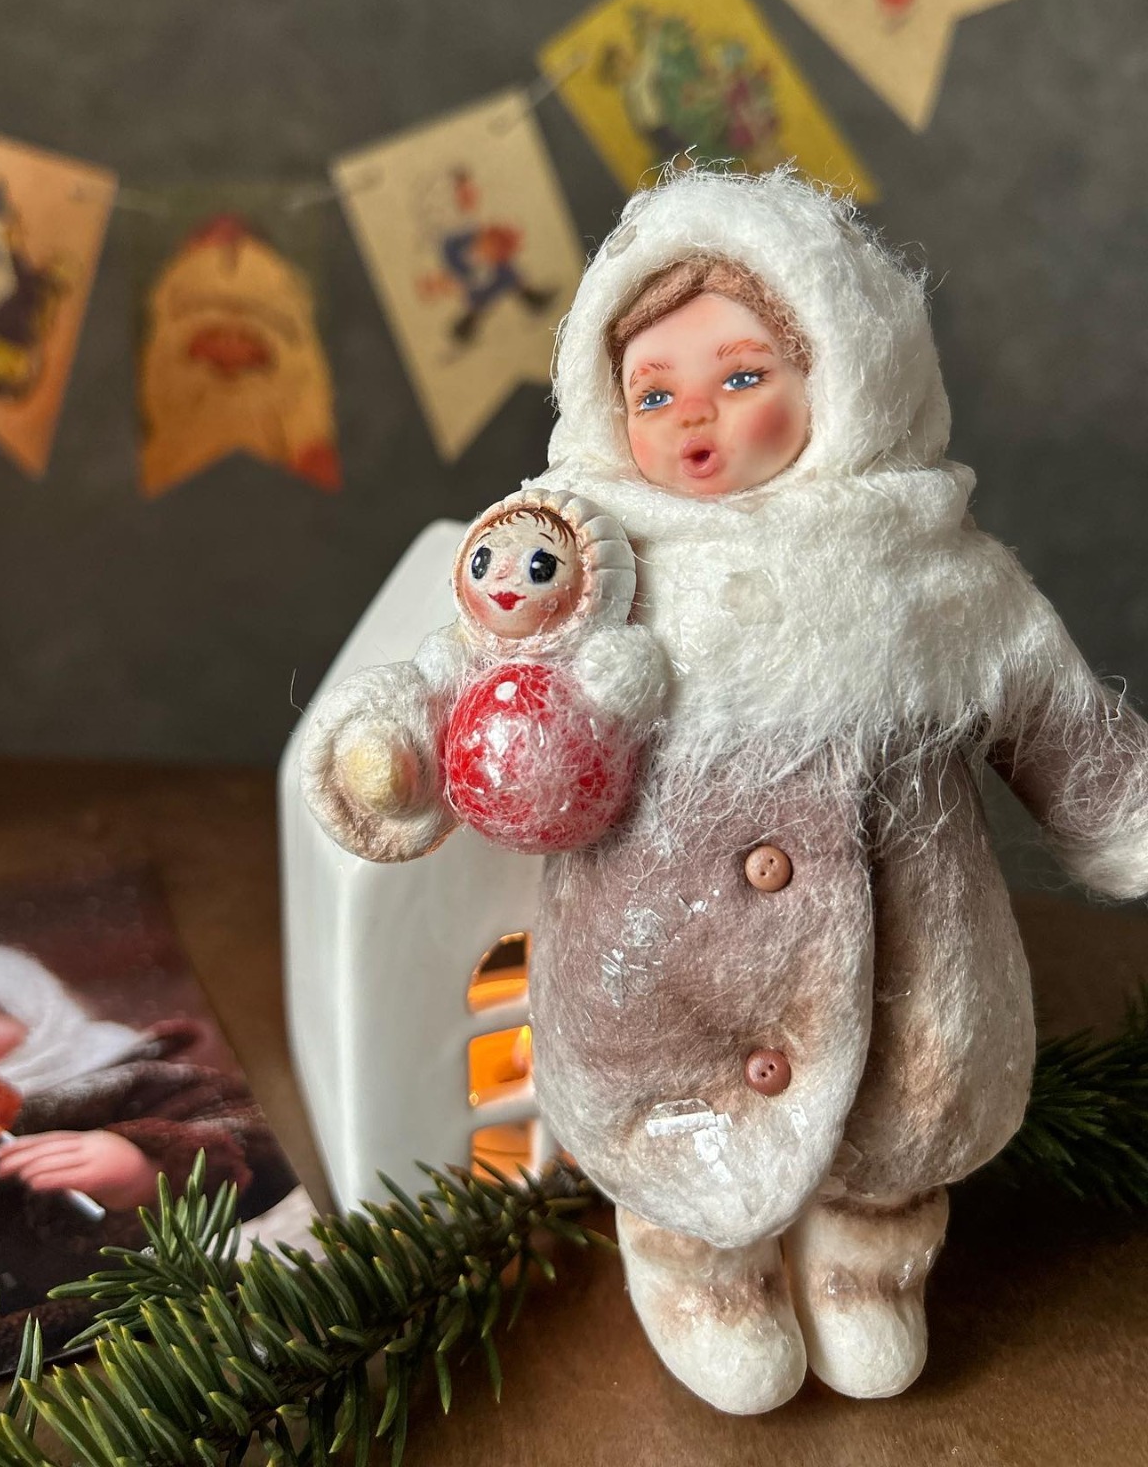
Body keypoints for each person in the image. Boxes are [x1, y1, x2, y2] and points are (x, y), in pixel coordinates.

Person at [299, 167, 1148, 1412]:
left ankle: (868, 1260)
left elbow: (1051, 709)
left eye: (741, 376)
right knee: (665, 1130)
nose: (690, 416)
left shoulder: (931, 571)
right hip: (655, 985)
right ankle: (696, 1268)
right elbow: (467, 658)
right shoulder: (590, 553)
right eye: (652, 391)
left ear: (847, 374)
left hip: (908, 967)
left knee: (902, 1114)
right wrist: (395, 746)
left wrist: (1121, 812)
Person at [0, 939, 292, 1368]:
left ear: (37, 1008)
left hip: (156, 1323)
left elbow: (255, 1136)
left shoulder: (124, 1080)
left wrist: (148, 1161)